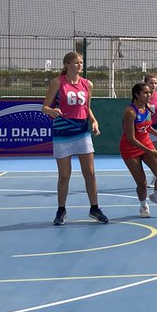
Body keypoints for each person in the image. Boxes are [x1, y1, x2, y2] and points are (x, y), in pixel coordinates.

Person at [41, 51, 107, 225]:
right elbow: (44, 107)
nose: (80, 65)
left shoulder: (87, 84)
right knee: (64, 176)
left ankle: (95, 208)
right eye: (76, 62)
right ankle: (61, 210)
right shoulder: (58, 82)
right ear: (67, 64)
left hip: (82, 132)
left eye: (81, 62)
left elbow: (87, 108)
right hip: (62, 134)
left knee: (90, 173)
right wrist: (51, 111)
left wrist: (94, 121)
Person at [120, 82, 157, 217]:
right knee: (141, 183)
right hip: (130, 148)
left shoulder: (147, 108)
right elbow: (131, 138)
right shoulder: (130, 112)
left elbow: (147, 127)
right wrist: (151, 151)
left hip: (145, 144)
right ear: (137, 95)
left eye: (150, 92)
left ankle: (156, 196)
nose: (149, 95)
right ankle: (143, 206)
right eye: (145, 93)